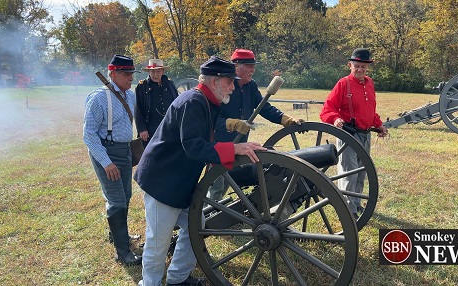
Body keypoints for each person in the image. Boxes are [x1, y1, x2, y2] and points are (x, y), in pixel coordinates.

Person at [134, 56, 267, 286]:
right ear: (215, 82)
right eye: (229, 82)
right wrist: (234, 148)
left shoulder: (208, 101)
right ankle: (150, 283)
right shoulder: (193, 101)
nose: (233, 87)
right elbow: (193, 146)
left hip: (180, 178)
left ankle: (177, 278)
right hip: (163, 180)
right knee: (159, 241)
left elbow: (209, 131)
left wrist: (234, 138)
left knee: (197, 225)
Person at [207, 48, 303, 202]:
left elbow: (264, 107)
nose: (253, 69)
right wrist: (233, 123)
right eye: (249, 65)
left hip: (240, 144)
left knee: (230, 182)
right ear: (236, 66)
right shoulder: (223, 85)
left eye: (253, 65)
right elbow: (210, 120)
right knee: (217, 187)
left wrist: (285, 119)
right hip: (219, 145)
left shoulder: (251, 86)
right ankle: (204, 217)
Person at [83, 54, 142, 265]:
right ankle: (123, 253)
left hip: (125, 151)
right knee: (117, 200)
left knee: (125, 196)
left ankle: (118, 235)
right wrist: (106, 162)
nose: (130, 78)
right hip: (106, 153)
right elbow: (89, 134)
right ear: (113, 74)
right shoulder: (99, 98)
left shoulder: (130, 96)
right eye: (126, 74)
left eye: (131, 74)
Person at [320, 48, 388, 218]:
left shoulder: (369, 83)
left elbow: (370, 110)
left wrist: (378, 124)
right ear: (350, 65)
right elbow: (327, 110)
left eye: (363, 67)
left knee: (362, 171)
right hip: (348, 135)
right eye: (356, 66)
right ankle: (348, 211)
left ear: (367, 67)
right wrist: (335, 119)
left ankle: (356, 204)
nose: (360, 70)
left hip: (365, 134)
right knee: (349, 172)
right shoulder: (343, 84)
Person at [135, 59, 179, 147]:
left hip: (169, 128)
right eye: (152, 72)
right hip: (150, 128)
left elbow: (177, 104)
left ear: (162, 71)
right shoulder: (142, 86)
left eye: (158, 71)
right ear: (149, 72)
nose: (155, 75)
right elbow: (137, 108)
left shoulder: (170, 84)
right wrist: (142, 129)